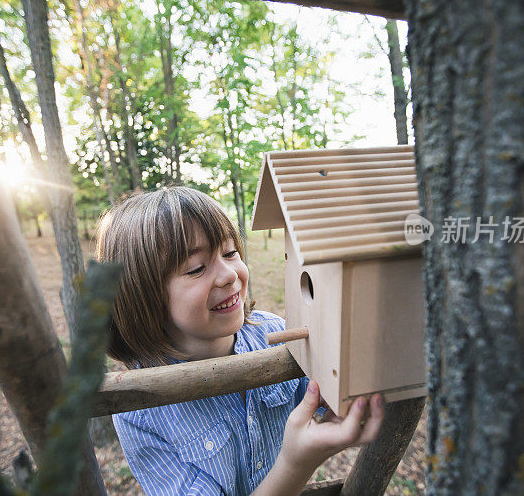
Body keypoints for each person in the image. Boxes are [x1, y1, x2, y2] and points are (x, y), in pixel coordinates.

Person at [96, 186, 384, 495]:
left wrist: (342, 397)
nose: (229, 274)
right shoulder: (140, 410)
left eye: (230, 252)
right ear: (142, 297)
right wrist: (296, 463)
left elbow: (321, 397)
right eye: (196, 268)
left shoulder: (275, 333)